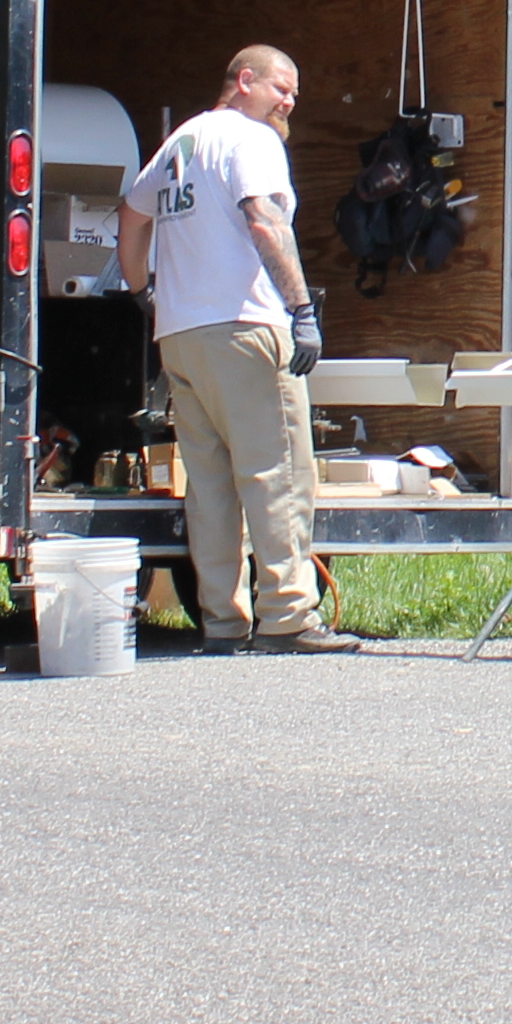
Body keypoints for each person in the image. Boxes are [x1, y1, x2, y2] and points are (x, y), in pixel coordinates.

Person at [118, 45, 355, 653]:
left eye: (294, 95)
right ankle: (287, 617)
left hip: (180, 334)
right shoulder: (250, 140)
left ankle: (223, 621)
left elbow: (132, 214)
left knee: (212, 486)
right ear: (245, 80)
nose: (289, 102)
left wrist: (143, 288)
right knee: (277, 473)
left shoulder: (179, 145)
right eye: (282, 87)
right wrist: (301, 310)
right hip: (245, 327)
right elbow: (263, 220)